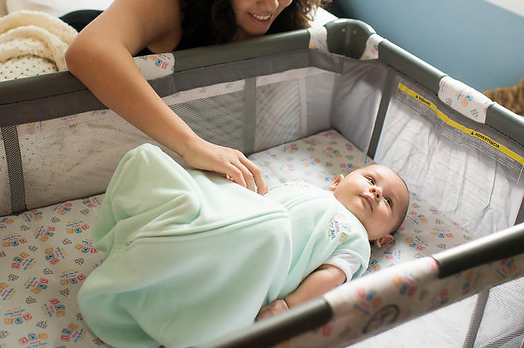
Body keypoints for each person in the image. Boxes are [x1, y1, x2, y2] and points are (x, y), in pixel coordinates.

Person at [63, 0, 329, 195]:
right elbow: (88, 51)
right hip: (83, 31)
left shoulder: (287, 11)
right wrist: (191, 145)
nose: (271, 3)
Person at [77, 143, 410, 347]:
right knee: (161, 167)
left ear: (382, 239)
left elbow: (330, 277)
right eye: (370, 179)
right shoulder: (304, 187)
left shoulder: (356, 241)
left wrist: (289, 305)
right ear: (337, 181)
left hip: (255, 257)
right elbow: (255, 197)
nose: (376, 191)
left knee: (268, 229)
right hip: (234, 220)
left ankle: (155, 264)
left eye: (388, 202)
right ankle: (156, 228)